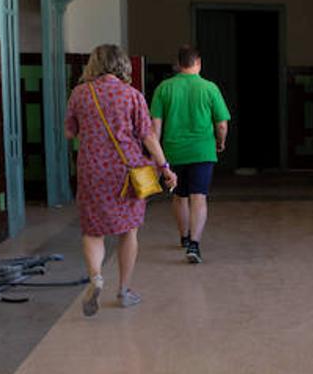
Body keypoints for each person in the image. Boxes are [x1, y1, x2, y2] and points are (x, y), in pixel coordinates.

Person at [65, 44, 176, 316]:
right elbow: (148, 136)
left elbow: (70, 133)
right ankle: (124, 291)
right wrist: (164, 168)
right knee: (129, 231)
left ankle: (96, 278)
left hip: (92, 169)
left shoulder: (80, 94)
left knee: (93, 230)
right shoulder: (132, 95)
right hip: (128, 172)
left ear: (94, 65)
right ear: (122, 65)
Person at [150, 45, 230, 264]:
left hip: (173, 152)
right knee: (199, 197)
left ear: (178, 64)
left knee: (179, 196)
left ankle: (184, 237)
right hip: (203, 150)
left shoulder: (164, 88)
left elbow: (154, 127)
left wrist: (157, 157)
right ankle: (195, 244)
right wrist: (220, 142)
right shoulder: (209, 88)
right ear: (199, 62)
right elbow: (221, 124)